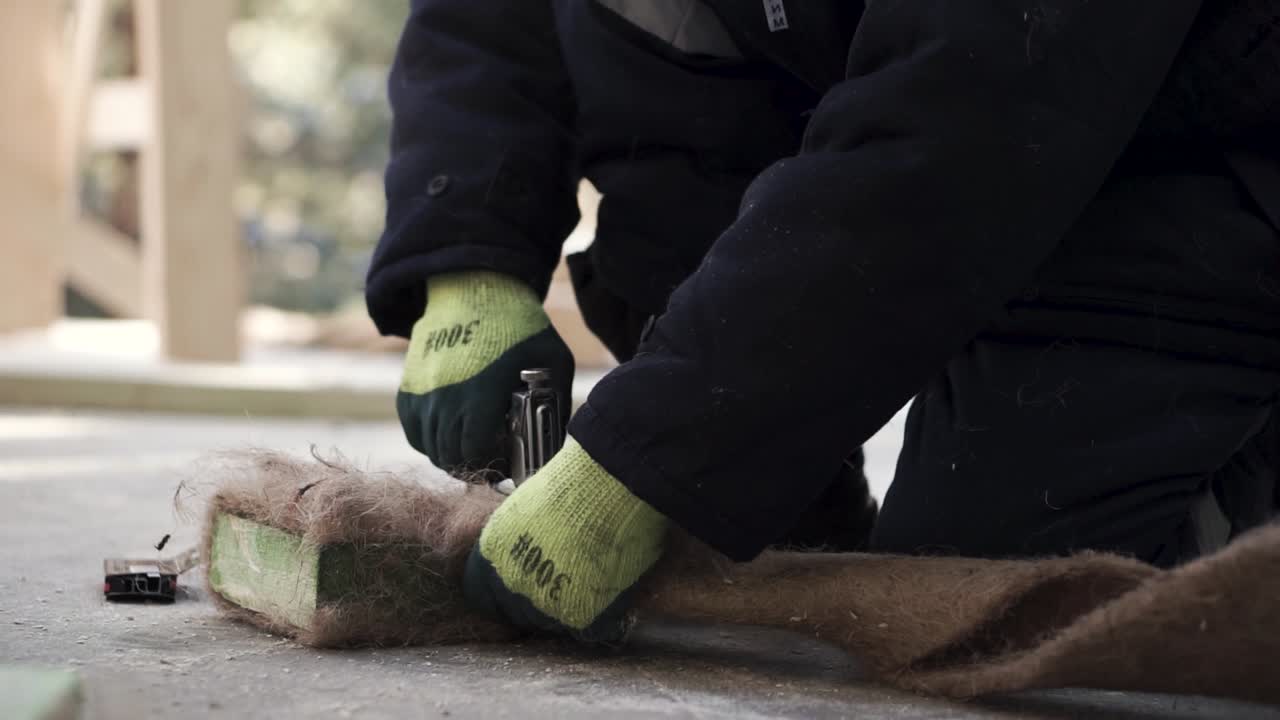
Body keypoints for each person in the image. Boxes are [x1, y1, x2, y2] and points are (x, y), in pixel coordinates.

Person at [367, 0, 1280, 642]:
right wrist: (467, 259)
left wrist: (653, 458)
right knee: (755, 545)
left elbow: (962, 121)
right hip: (841, 76)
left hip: (1189, 135)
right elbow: (486, 20)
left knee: (1003, 597)